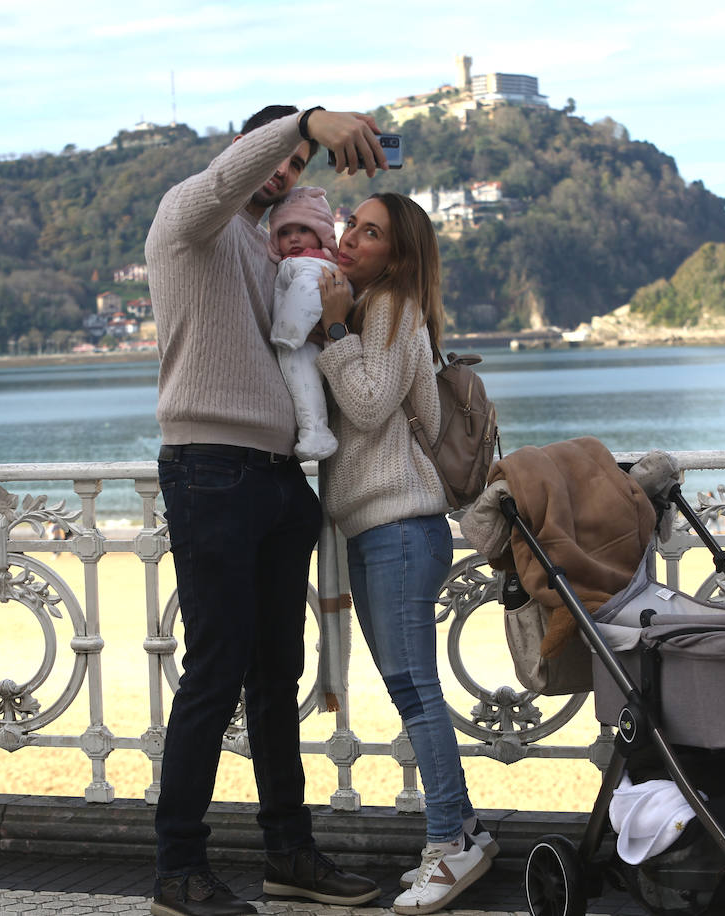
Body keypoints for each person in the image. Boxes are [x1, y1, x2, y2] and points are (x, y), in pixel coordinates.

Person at [144, 105, 388, 916]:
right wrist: (308, 116)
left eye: (298, 162)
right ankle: (178, 870)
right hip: (209, 469)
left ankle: (290, 854)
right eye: (279, 156)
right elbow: (227, 180)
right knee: (213, 674)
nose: (285, 172)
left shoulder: (268, 241)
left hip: (282, 479)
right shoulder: (192, 214)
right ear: (253, 151)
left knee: (277, 677)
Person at [314, 193, 497, 915]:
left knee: (415, 691)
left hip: (398, 526)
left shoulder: (390, 307)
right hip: (377, 529)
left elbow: (365, 403)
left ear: (399, 253)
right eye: (349, 226)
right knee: (410, 688)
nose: (349, 238)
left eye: (370, 232)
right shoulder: (374, 309)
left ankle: (448, 847)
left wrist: (333, 325)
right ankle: (469, 831)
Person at [266, 185, 343, 461]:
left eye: (303, 230)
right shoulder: (294, 262)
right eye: (285, 233)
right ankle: (313, 432)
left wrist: (287, 331)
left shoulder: (312, 263)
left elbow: (307, 291)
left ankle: (315, 434)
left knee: (304, 383)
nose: (294, 238)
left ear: (320, 233)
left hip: (297, 340)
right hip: (305, 339)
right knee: (304, 386)